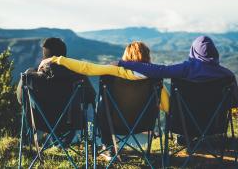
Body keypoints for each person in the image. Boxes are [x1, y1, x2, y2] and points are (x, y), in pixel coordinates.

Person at [39, 41, 169, 160]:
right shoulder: (155, 80)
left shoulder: (115, 72)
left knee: (102, 102)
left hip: (112, 123)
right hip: (143, 124)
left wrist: (56, 59)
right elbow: (168, 107)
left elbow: (86, 68)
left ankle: (108, 147)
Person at [17, 37, 96, 147]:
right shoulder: (78, 76)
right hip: (70, 124)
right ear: (64, 56)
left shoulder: (30, 76)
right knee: (89, 109)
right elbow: (91, 97)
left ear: (44, 57)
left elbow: (21, 99)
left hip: (40, 123)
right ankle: (88, 141)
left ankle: (29, 144)